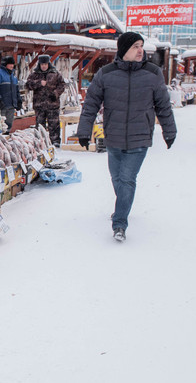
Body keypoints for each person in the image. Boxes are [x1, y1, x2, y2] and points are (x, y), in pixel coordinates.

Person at [77, 32, 177, 242]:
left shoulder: (153, 73)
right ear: (124, 50)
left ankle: (120, 223)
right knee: (116, 178)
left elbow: (163, 106)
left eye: (141, 46)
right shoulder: (106, 73)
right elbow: (91, 104)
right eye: (135, 46)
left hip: (140, 137)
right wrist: (84, 131)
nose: (140, 50)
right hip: (113, 136)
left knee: (127, 179)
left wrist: (169, 131)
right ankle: (122, 206)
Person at [25, 54, 65, 147]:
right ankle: (40, 141)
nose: (43, 66)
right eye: (42, 64)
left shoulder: (55, 74)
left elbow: (62, 85)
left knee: (54, 124)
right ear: (39, 64)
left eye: (45, 64)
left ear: (48, 64)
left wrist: (55, 94)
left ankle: (55, 141)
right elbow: (27, 85)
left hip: (53, 104)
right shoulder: (34, 74)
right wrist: (39, 83)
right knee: (40, 125)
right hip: (39, 105)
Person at [0, 55, 22, 131]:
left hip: (11, 106)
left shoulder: (13, 77)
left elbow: (17, 90)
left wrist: (19, 101)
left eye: (13, 64)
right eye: (10, 64)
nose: (12, 66)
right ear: (5, 64)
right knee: (0, 125)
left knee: (9, 125)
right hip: (2, 106)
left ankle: (6, 139)